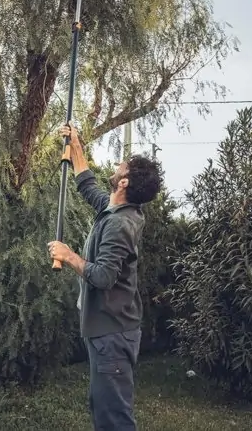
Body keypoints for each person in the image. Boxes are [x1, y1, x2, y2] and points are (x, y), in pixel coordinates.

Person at [48, 122, 162, 430]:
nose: (116, 165)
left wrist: (68, 255)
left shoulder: (119, 224)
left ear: (123, 182)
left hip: (112, 334)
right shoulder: (115, 210)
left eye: (121, 166)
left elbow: (103, 277)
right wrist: (75, 144)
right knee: (103, 408)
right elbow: (88, 185)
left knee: (114, 417)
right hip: (106, 330)